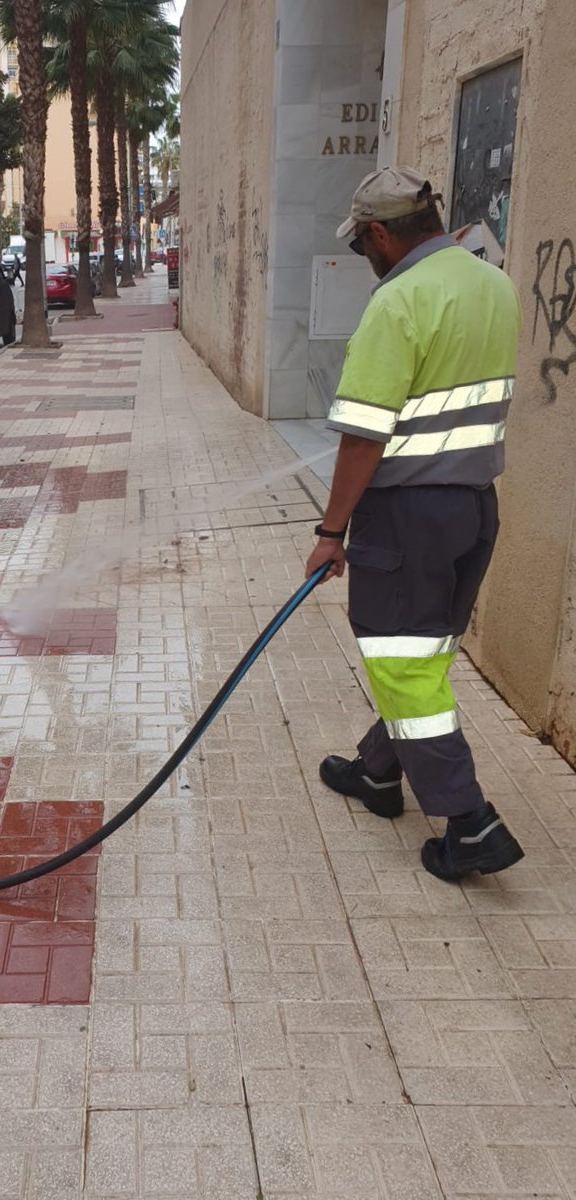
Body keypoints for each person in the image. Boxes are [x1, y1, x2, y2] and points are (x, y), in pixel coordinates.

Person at [306, 165, 524, 883]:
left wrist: (331, 531)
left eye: (363, 242)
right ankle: (376, 771)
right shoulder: (492, 283)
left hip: (407, 517)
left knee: (402, 662)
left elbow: (364, 434)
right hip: (473, 510)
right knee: (422, 656)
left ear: (378, 234)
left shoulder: (398, 300)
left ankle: (470, 825)